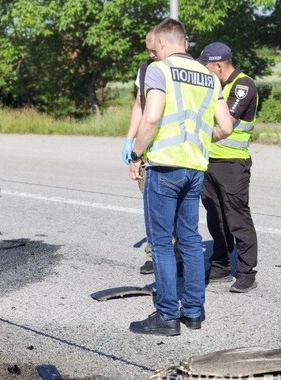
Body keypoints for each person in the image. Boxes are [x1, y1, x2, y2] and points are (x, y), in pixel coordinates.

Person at [127, 18, 233, 336]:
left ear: (161, 43)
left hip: (165, 167)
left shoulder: (159, 70)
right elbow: (226, 127)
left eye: (154, 48)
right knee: (189, 240)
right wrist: (200, 140)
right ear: (184, 42)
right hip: (195, 167)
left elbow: (152, 116)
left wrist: (135, 152)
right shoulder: (208, 76)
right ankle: (194, 312)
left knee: (161, 243)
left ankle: (167, 316)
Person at [197, 42, 259, 293]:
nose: (204, 71)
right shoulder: (217, 86)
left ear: (219, 65)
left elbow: (226, 123)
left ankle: (246, 272)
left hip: (232, 164)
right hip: (209, 162)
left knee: (237, 218)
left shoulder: (243, 85)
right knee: (216, 218)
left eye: (207, 67)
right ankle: (221, 264)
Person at [123, 29, 183, 275]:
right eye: (147, 49)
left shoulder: (175, 69)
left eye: (153, 48)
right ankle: (153, 253)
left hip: (174, 148)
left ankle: (177, 255)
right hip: (148, 149)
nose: (150, 53)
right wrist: (130, 140)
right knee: (152, 205)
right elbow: (140, 105)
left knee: (176, 207)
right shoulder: (146, 69)